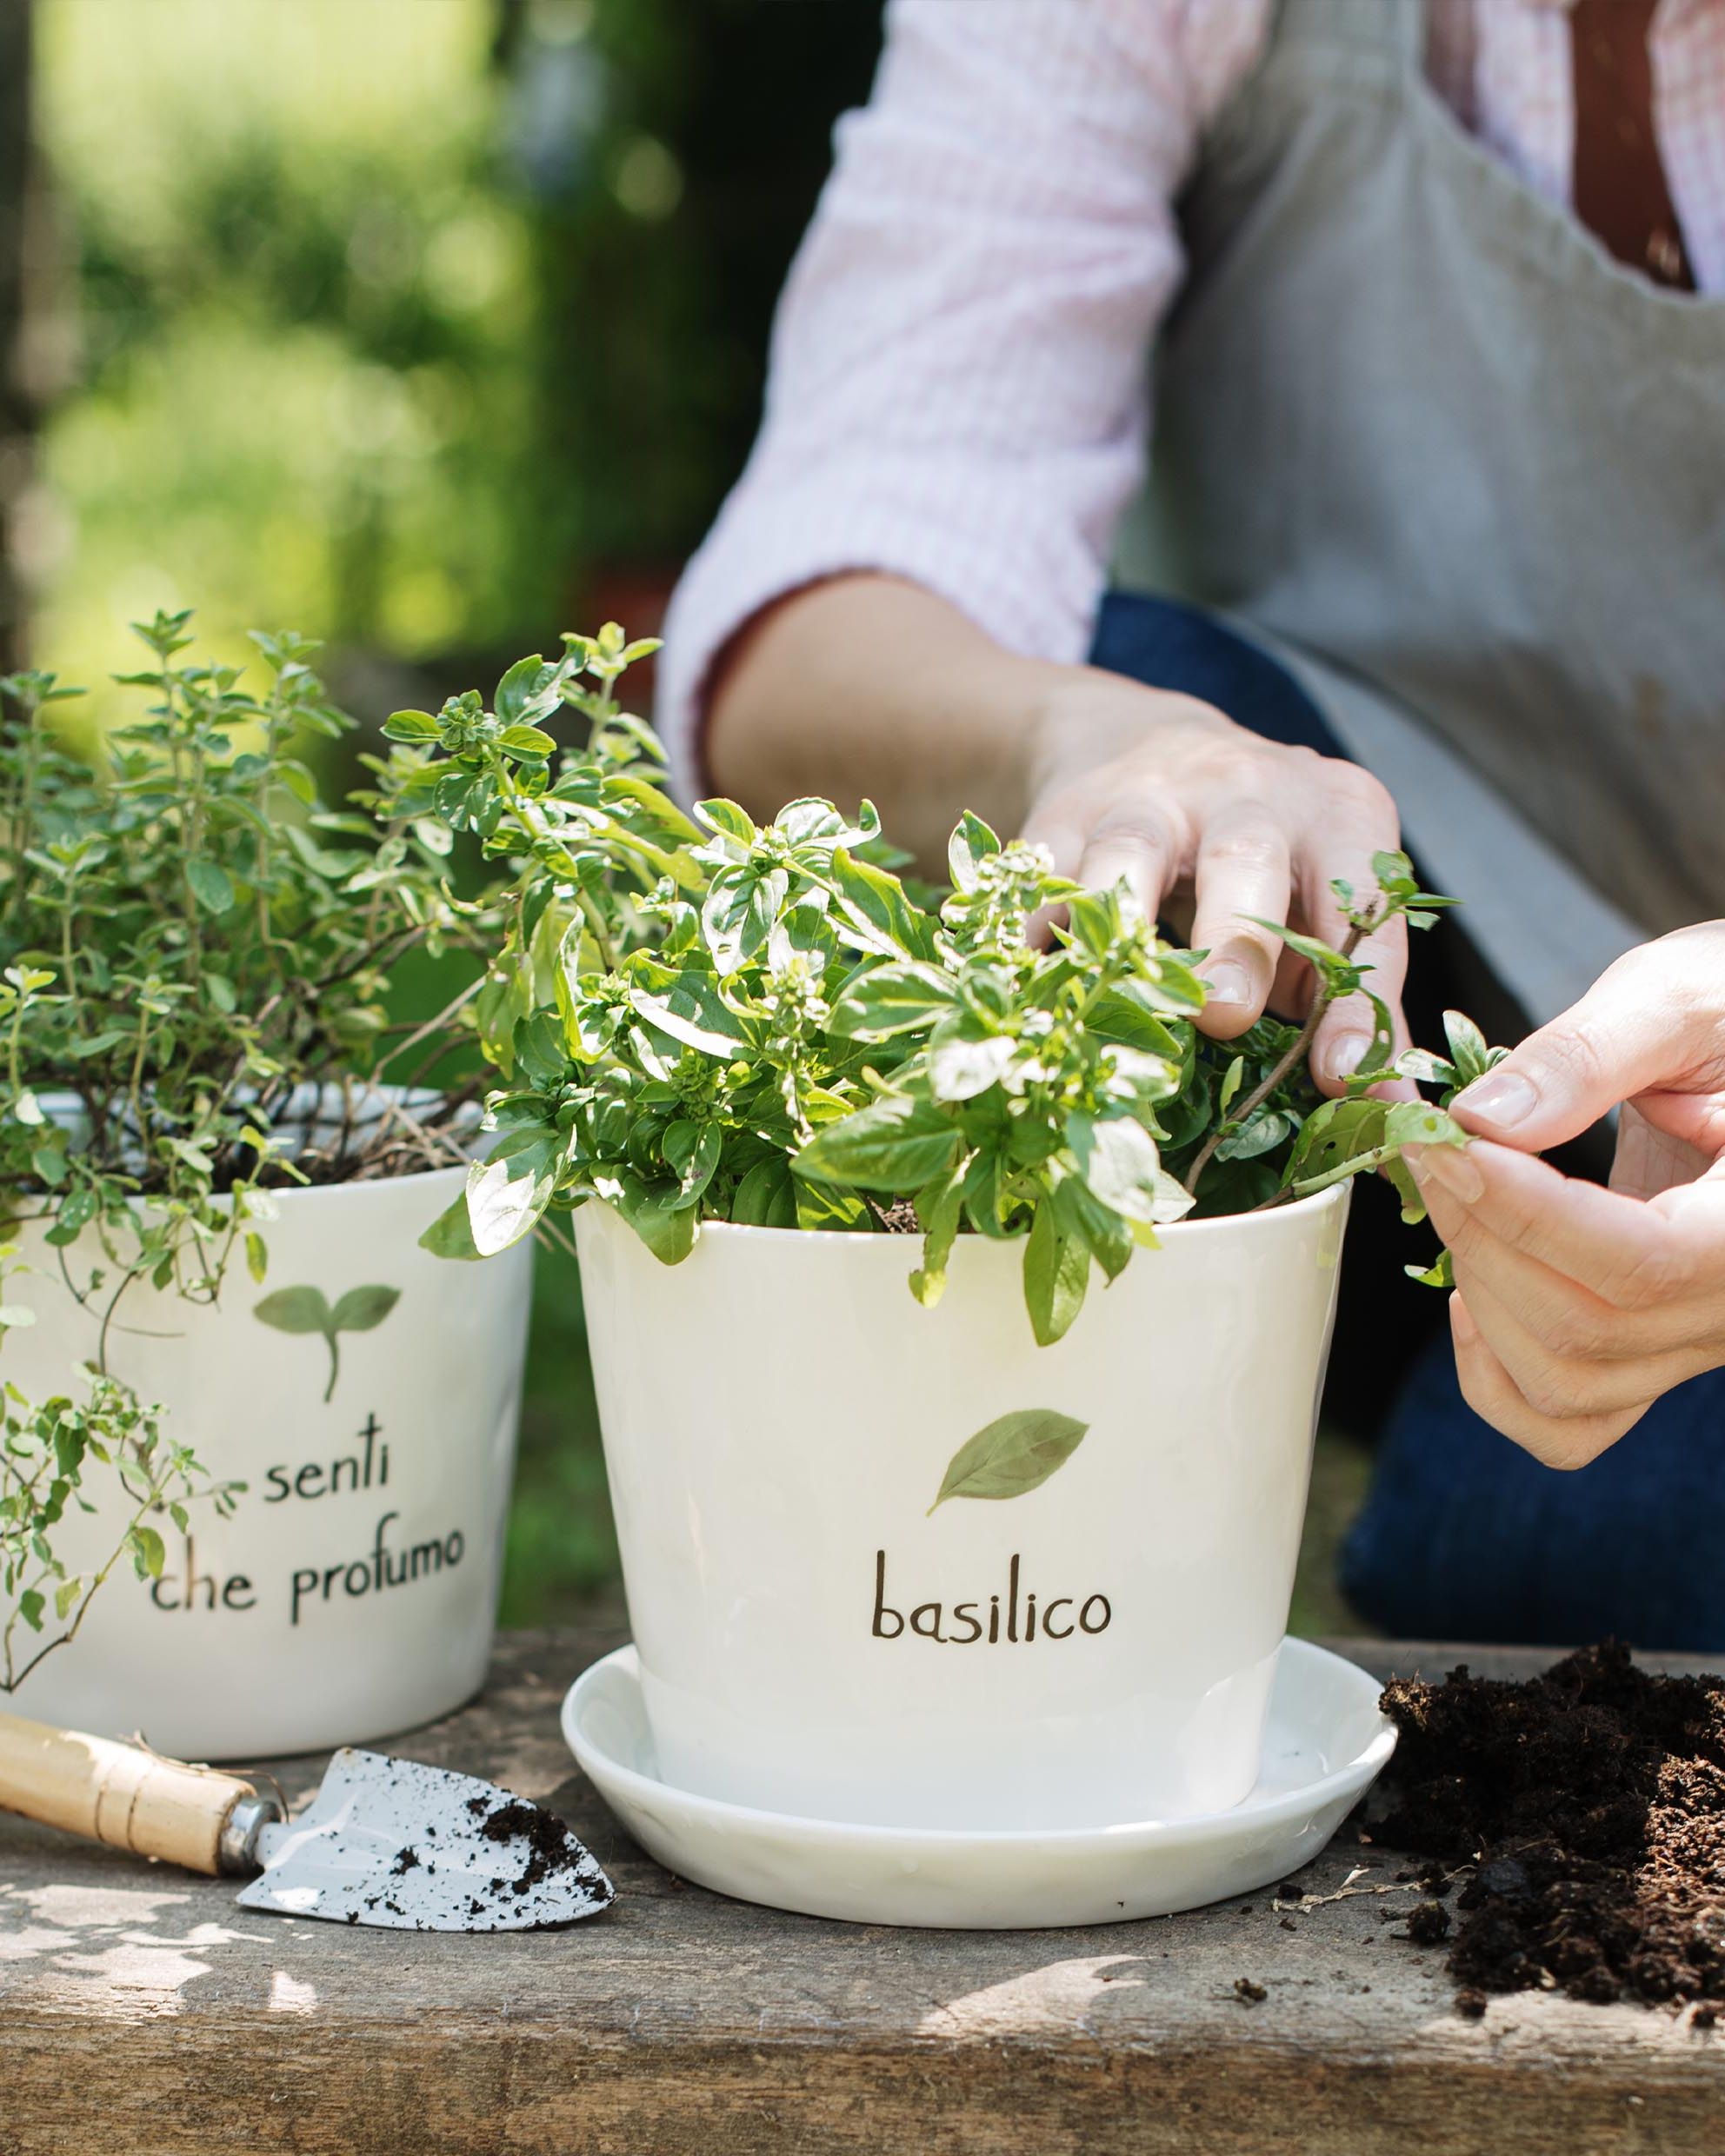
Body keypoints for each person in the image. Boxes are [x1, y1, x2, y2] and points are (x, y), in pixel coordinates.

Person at [656, 0, 1725, 1649]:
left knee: (1555, 1536)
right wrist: (1117, 742)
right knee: (1116, 685)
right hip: (1358, 968)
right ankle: (1023, 1577)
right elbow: (815, 611)